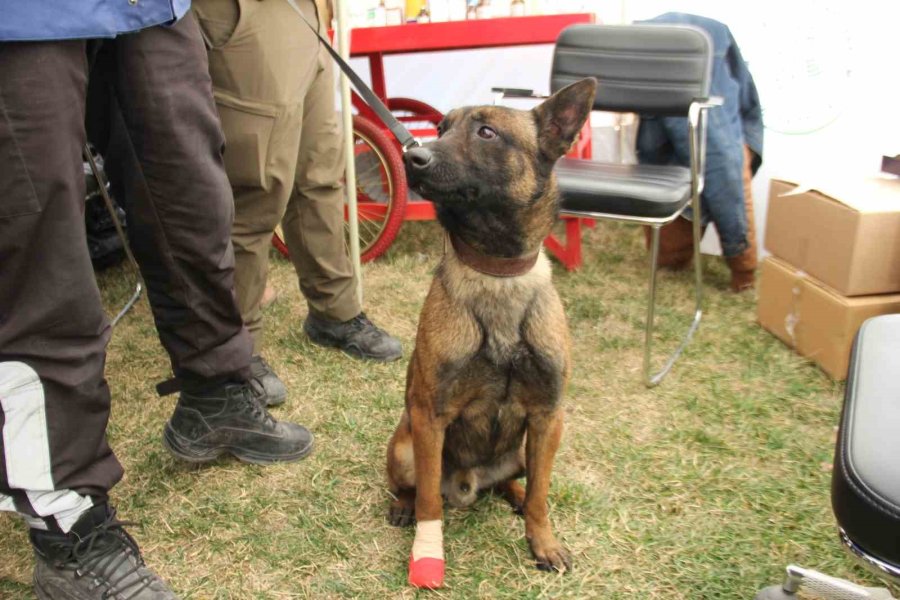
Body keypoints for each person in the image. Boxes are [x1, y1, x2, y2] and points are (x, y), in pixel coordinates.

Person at [0, 4, 313, 598]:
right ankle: (68, 527)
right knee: (39, 249)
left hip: (149, 6)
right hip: (17, 17)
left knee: (192, 197)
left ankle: (214, 393)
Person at [192, 0, 402, 407]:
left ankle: (333, 311)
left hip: (310, 11)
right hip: (250, 11)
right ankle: (236, 349)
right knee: (256, 187)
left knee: (318, 173)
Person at [637, 13, 763, 293]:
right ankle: (737, 259)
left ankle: (742, 264)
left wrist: (743, 263)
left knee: (721, 164)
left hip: (709, 90)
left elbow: (723, 169)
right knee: (667, 260)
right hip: (663, 108)